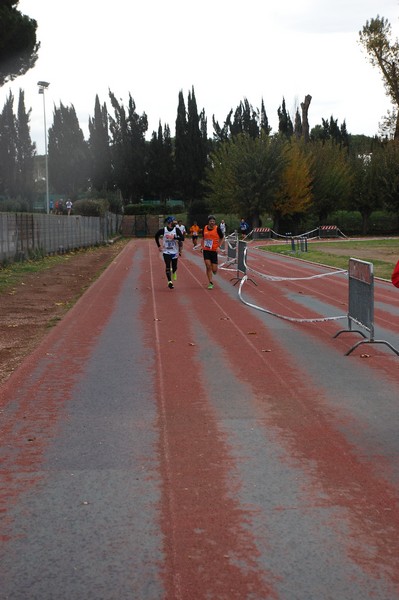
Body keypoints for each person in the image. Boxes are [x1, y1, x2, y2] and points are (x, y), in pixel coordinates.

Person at [154, 216, 184, 289]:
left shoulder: (176, 230)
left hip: (174, 251)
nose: (175, 222)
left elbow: (182, 238)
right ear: (170, 222)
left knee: (174, 267)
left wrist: (174, 238)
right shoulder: (163, 230)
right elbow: (156, 236)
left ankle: (174, 272)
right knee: (167, 266)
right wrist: (159, 246)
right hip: (166, 251)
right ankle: (169, 282)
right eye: (174, 221)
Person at [202, 214, 224, 289]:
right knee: (208, 266)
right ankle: (210, 282)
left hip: (214, 250)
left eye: (213, 221)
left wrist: (219, 246)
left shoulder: (217, 229)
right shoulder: (205, 228)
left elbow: (222, 238)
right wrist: (202, 246)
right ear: (208, 222)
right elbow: (203, 238)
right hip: (206, 250)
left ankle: (213, 270)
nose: (212, 222)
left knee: (214, 270)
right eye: (211, 221)